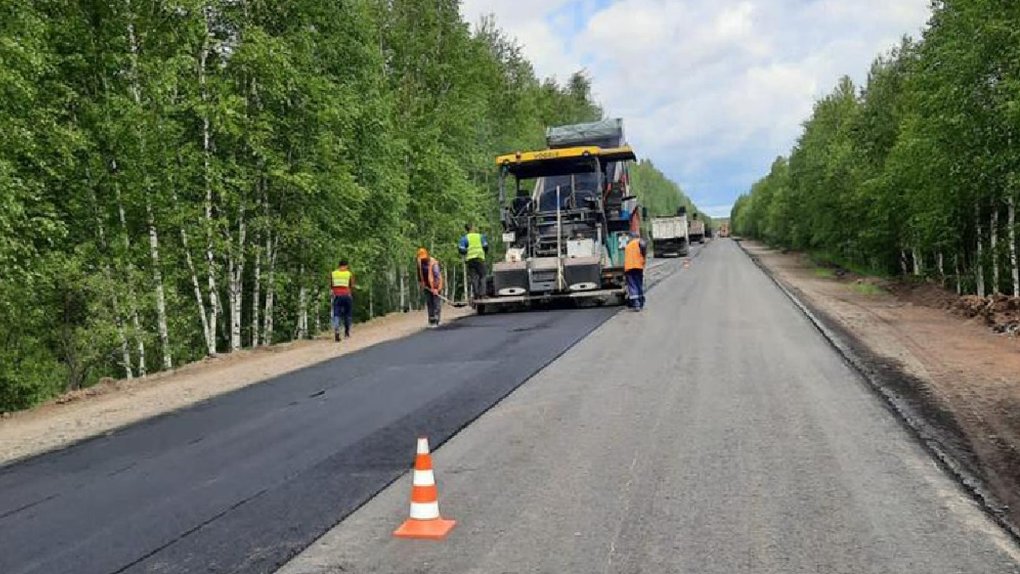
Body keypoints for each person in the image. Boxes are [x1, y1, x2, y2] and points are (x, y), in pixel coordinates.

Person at [458, 223, 489, 300]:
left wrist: (466, 252)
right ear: (472, 228)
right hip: (479, 258)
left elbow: (461, 249)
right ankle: (483, 294)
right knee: (482, 276)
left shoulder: (464, 238)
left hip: (470, 260)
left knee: (474, 278)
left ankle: (476, 295)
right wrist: (484, 252)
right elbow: (485, 246)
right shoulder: (480, 236)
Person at [416, 248, 444, 328]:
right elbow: (419, 273)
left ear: (427, 255)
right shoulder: (419, 262)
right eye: (421, 258)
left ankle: (437, 320)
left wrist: (435, 288)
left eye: (424, 258)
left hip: (436, 285)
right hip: (427, 286)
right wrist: (421, 282)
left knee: (436, 303)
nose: (423, 259)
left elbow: (437, 276)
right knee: (429, 302)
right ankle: (431, 320)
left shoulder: (433, 263)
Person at [329, 259, 354, 342]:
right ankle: (347, 332)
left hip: (337, 296)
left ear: (339, 265)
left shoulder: (333, 273)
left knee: (336, 314)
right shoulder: (348, 274)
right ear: (346, 266)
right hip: (346, 295)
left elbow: (331, 286)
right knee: (348, 314)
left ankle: (336, 329)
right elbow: (351, 285)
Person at [624, 232, 647, 311]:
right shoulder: (639, 241)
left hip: (629, 268)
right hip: (638, 266)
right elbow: (644, 246)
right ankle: (640, 302)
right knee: (638, 283)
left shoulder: (628, 245)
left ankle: (636, 303)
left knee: (632, 285)